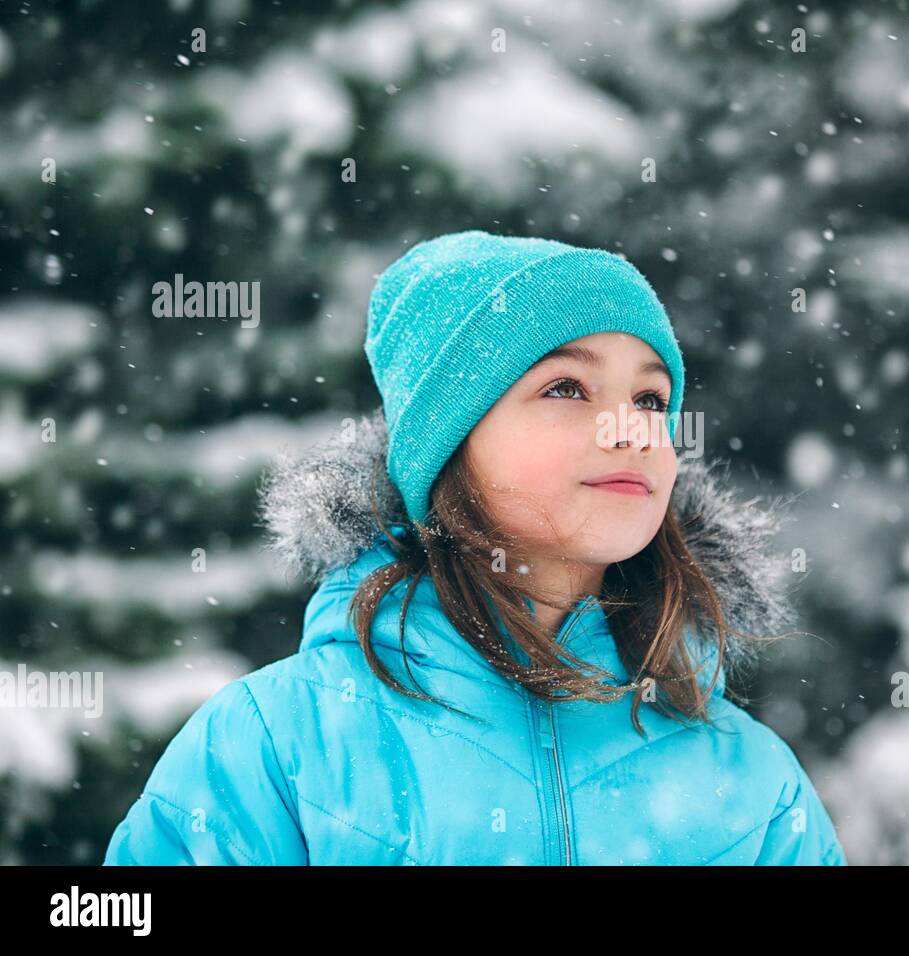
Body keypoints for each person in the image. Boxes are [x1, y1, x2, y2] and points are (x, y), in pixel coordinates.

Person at [102, 229, 847, 865]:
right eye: (566, 389)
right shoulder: (282, 744)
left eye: (650, 399)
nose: (631, 429)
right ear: (447, 447)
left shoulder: (752, 780)